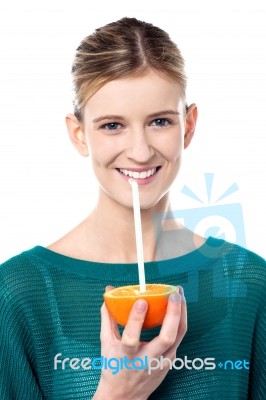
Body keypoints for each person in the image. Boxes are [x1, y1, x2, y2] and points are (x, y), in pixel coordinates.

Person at [0, 17, 265, 400]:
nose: (140, 152)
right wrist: (118, 393)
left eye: (160, 121)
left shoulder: (252, 283)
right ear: (79, 134)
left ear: (188, 126)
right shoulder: (18, 294)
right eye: (112, 125)